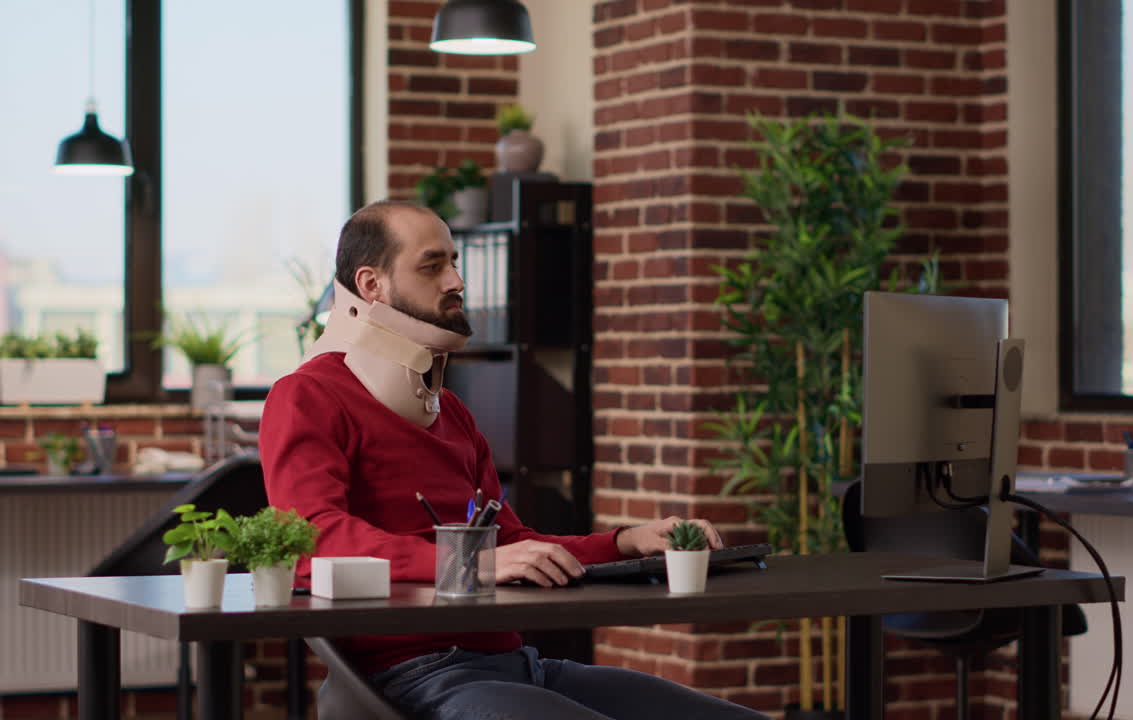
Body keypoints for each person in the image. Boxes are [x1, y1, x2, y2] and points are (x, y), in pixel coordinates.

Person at [260, 200, 768, 720]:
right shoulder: (306, 397)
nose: (456, 280)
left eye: (454, 262)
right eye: (432, 266)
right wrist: (473, 562)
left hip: (518, 665)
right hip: (414, 675)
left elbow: (513, 545)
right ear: (371, 286)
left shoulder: (451, 412)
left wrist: (626, 542)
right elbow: (313, 538)